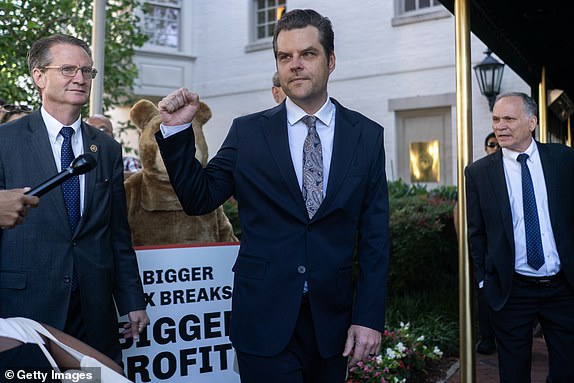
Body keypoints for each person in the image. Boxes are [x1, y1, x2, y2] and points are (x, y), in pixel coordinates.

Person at [155, 9, 390, 383]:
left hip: (333, 325)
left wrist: (368, 318)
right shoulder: (248, 133)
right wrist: (176, 133)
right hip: (263, 320)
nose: (295, 65)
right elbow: (199, 198)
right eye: (285, 57)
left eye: (307, 54)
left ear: (330, 61)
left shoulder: (366, 136)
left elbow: (376, 237)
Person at [0, 34, 149, 366]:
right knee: (32, 377)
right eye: (68, 69)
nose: (80, 79)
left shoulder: (106, 148)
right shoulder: (5, 141)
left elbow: (116, 234)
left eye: (87, 71)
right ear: (39, 76)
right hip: (26, 308)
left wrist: (132, 300)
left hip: (93, 311)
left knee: (91, 378)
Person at [465, 92, 574, 382]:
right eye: (496, 119)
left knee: (567, 370)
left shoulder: (563, 160)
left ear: (532, 122)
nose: (500, 126)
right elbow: (476, 234)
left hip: (562, 287)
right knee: (513, 374)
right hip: (512, 290)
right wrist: (484, 281)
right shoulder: (478, 173)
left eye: (509, 119)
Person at [86, 114, 142, 178]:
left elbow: (140, 180)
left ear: (112, 136)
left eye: (103, 130)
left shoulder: (128, 162)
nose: (98, 134)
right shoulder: (76, 163)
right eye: (91, 130)